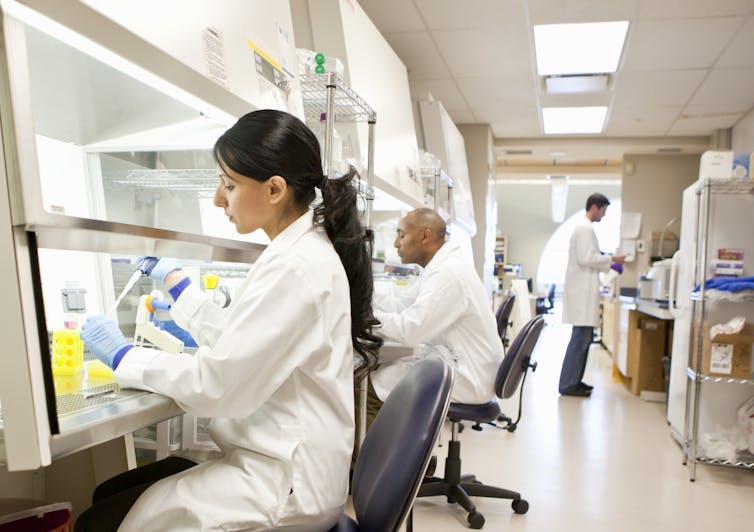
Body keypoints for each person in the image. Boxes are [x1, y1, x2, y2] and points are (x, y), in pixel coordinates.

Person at [75, 109, 382, 531]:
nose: (220, 199)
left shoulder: (296, 266)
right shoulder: (298, 252)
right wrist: (181, 290)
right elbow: (250, 341)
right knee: (111, 496)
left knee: (104, 519)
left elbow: (220, 383)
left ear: (274, 189)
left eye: (229, 184)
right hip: (279, 464)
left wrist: (124, 355)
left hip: (284, 485)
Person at [366, 208, 503, 427]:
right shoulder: (440, 267)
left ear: (425, 236)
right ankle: (408, 457)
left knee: (367, 390)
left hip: (467, 378)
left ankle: (380, 461)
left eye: (401, 235)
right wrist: (362, 300)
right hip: (465, 367)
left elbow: (411, 331)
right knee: (379, 375)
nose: (396, 243)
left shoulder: (448, 273)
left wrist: (367, 320)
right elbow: (403, 303)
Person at [559, 193, 625, 397]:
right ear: (595, 207)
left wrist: (608, 260)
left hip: (584, 294)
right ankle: (568, 384)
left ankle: (575, 381)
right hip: (581, 295)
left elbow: (590, 256)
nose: (604, 215)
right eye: (604, 210)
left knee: (583, 339)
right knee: (580, 339)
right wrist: (612, 259)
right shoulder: (584, 228)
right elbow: (587, 257)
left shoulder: (585, 229)